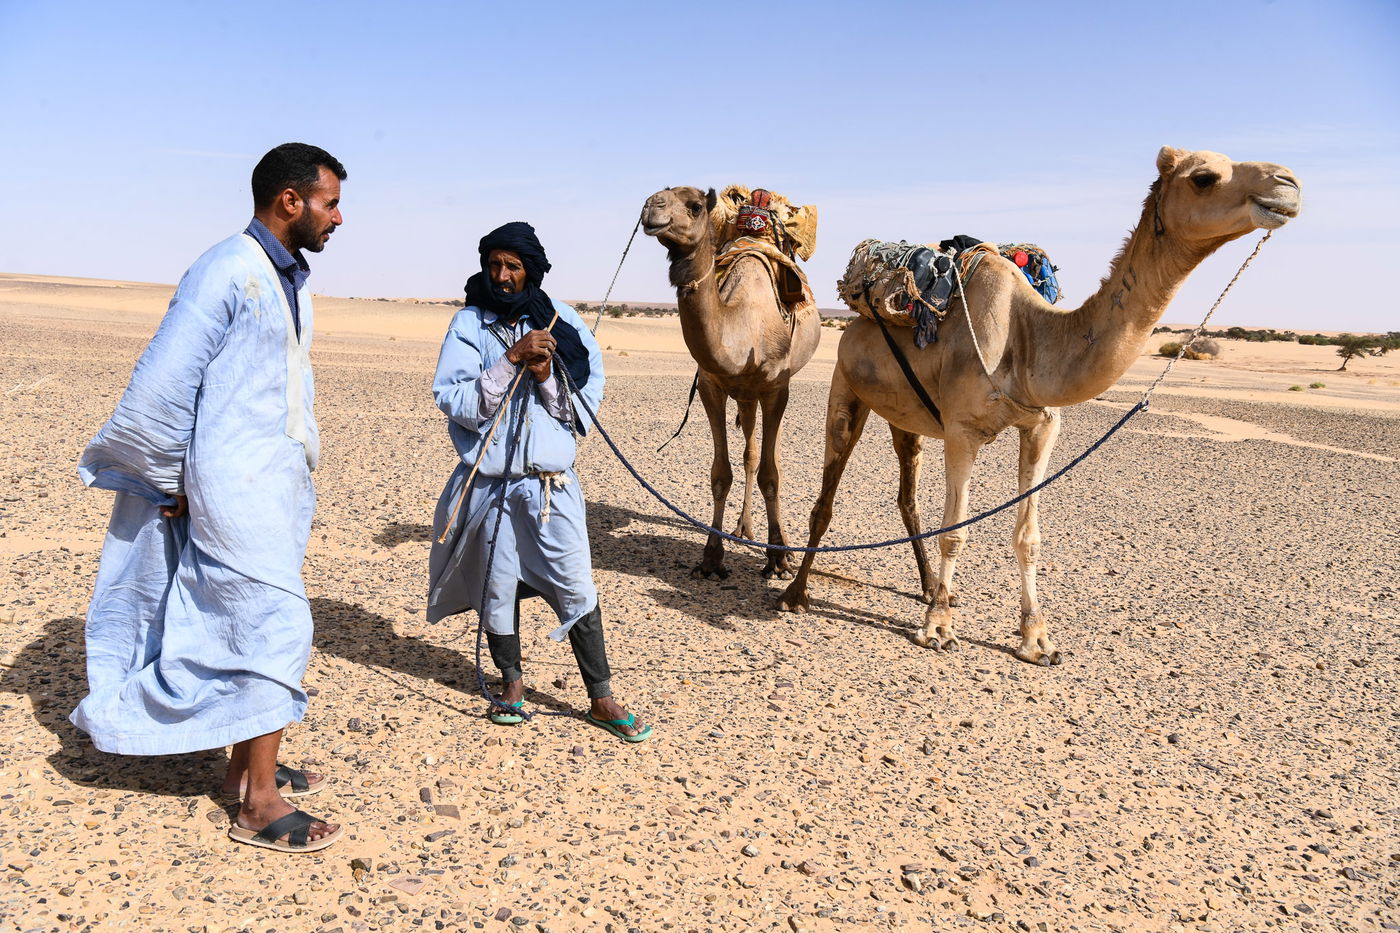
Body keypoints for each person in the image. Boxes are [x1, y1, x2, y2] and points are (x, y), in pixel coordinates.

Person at [72, 143, 347, 852]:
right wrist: (168, 478)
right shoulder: (226, 268)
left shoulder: (286, 278)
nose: (338, 218)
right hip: (230, 483)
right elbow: (165, 381)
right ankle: (258, 801)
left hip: (272, 482)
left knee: (244, 616)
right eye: (330, 202)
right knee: (275, 624)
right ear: (291, 200)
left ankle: (239, 767)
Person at [428, 222, 651, 742]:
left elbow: (581, 411)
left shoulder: (564, 323)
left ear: (532, 269)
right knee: (497, 584)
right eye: (494, 265)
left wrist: (549, 373)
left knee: (577, 585)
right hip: (492, 485)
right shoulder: (470, 324)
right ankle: (511, 686)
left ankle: (601, 697)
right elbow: (453, 399)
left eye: (513, 266)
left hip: (552, 487)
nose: (502, 276)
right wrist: (509, 360)